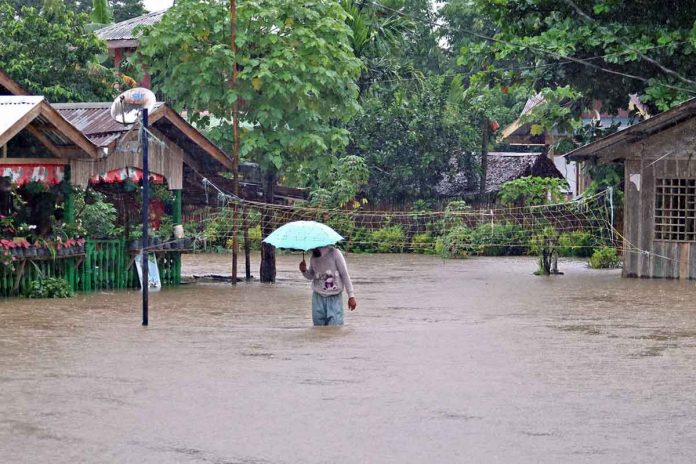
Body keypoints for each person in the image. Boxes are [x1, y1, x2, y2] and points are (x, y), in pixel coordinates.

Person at [299, 246, 357, 326]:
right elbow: (311, 276)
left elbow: (344, 274)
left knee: (336, 327)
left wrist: (351, 296)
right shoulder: (314, 256)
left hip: (334, 297)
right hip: (318, 297)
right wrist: (304, 270)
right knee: (318, 328)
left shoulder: (335, 253)